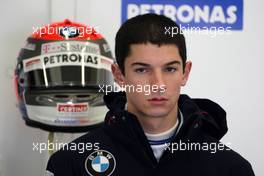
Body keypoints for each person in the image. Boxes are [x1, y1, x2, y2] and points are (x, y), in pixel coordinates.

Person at [46, 14, 255, 176]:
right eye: (142, 70)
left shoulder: (231, 169)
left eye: (170, 69)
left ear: (185, 72)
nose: (158, 85)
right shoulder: (72, 163)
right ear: (119, 75)